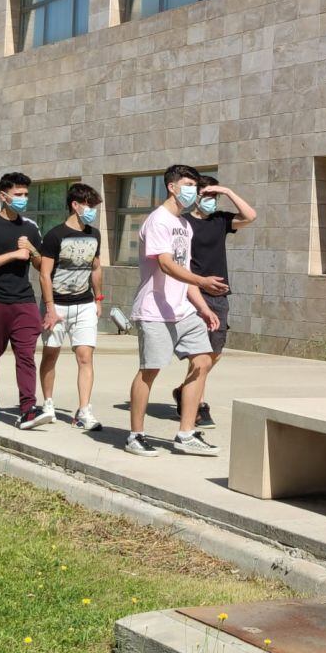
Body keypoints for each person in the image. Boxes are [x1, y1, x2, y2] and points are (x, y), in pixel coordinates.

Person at [125, 165, 231, 457]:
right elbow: (166, 264)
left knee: (202, 362)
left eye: (194, 187)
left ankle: (186, 433)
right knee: (150, 371)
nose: (192, 191)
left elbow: (182, 271)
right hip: (155, 310)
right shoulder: (158, 221)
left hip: (183, 309)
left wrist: (203, 307)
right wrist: (201, 281)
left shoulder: (184, 225)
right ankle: (136, 435)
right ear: (171, 187)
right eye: (187, 185)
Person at [169, 174, 258, 428]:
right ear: (195, 196)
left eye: (213, 197)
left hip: (219, 295)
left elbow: (250, 216)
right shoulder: (183, 223)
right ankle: (198, 404)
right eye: (206, 195)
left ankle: (183, 390)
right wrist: (195, 283)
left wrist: (228, 191)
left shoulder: (221, 221)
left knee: (214, 354)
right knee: (200, 355)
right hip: (194, 292)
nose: (210, 201)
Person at [0, 172, 52, 430]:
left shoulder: (31, 227)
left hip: (24, 302)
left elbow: (41, 266)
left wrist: (32, 249)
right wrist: (14, 254)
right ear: (3, 196)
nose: (23, 199)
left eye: (26, 194)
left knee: (26, 355)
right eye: (18, 194)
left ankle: (28, 409)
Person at [38, 183, 104, 431]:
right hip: (57, 306)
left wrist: (98, 299)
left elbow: (96, 268)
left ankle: (84, 410)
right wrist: (50, 308)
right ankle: (47, 403)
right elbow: (45, 275)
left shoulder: (94, 234)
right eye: (89, 206)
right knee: (51, 354)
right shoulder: (55, 235)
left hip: (85, 304)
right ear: (75, 205)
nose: (92, 211)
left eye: (94, 207)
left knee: (85, 356)